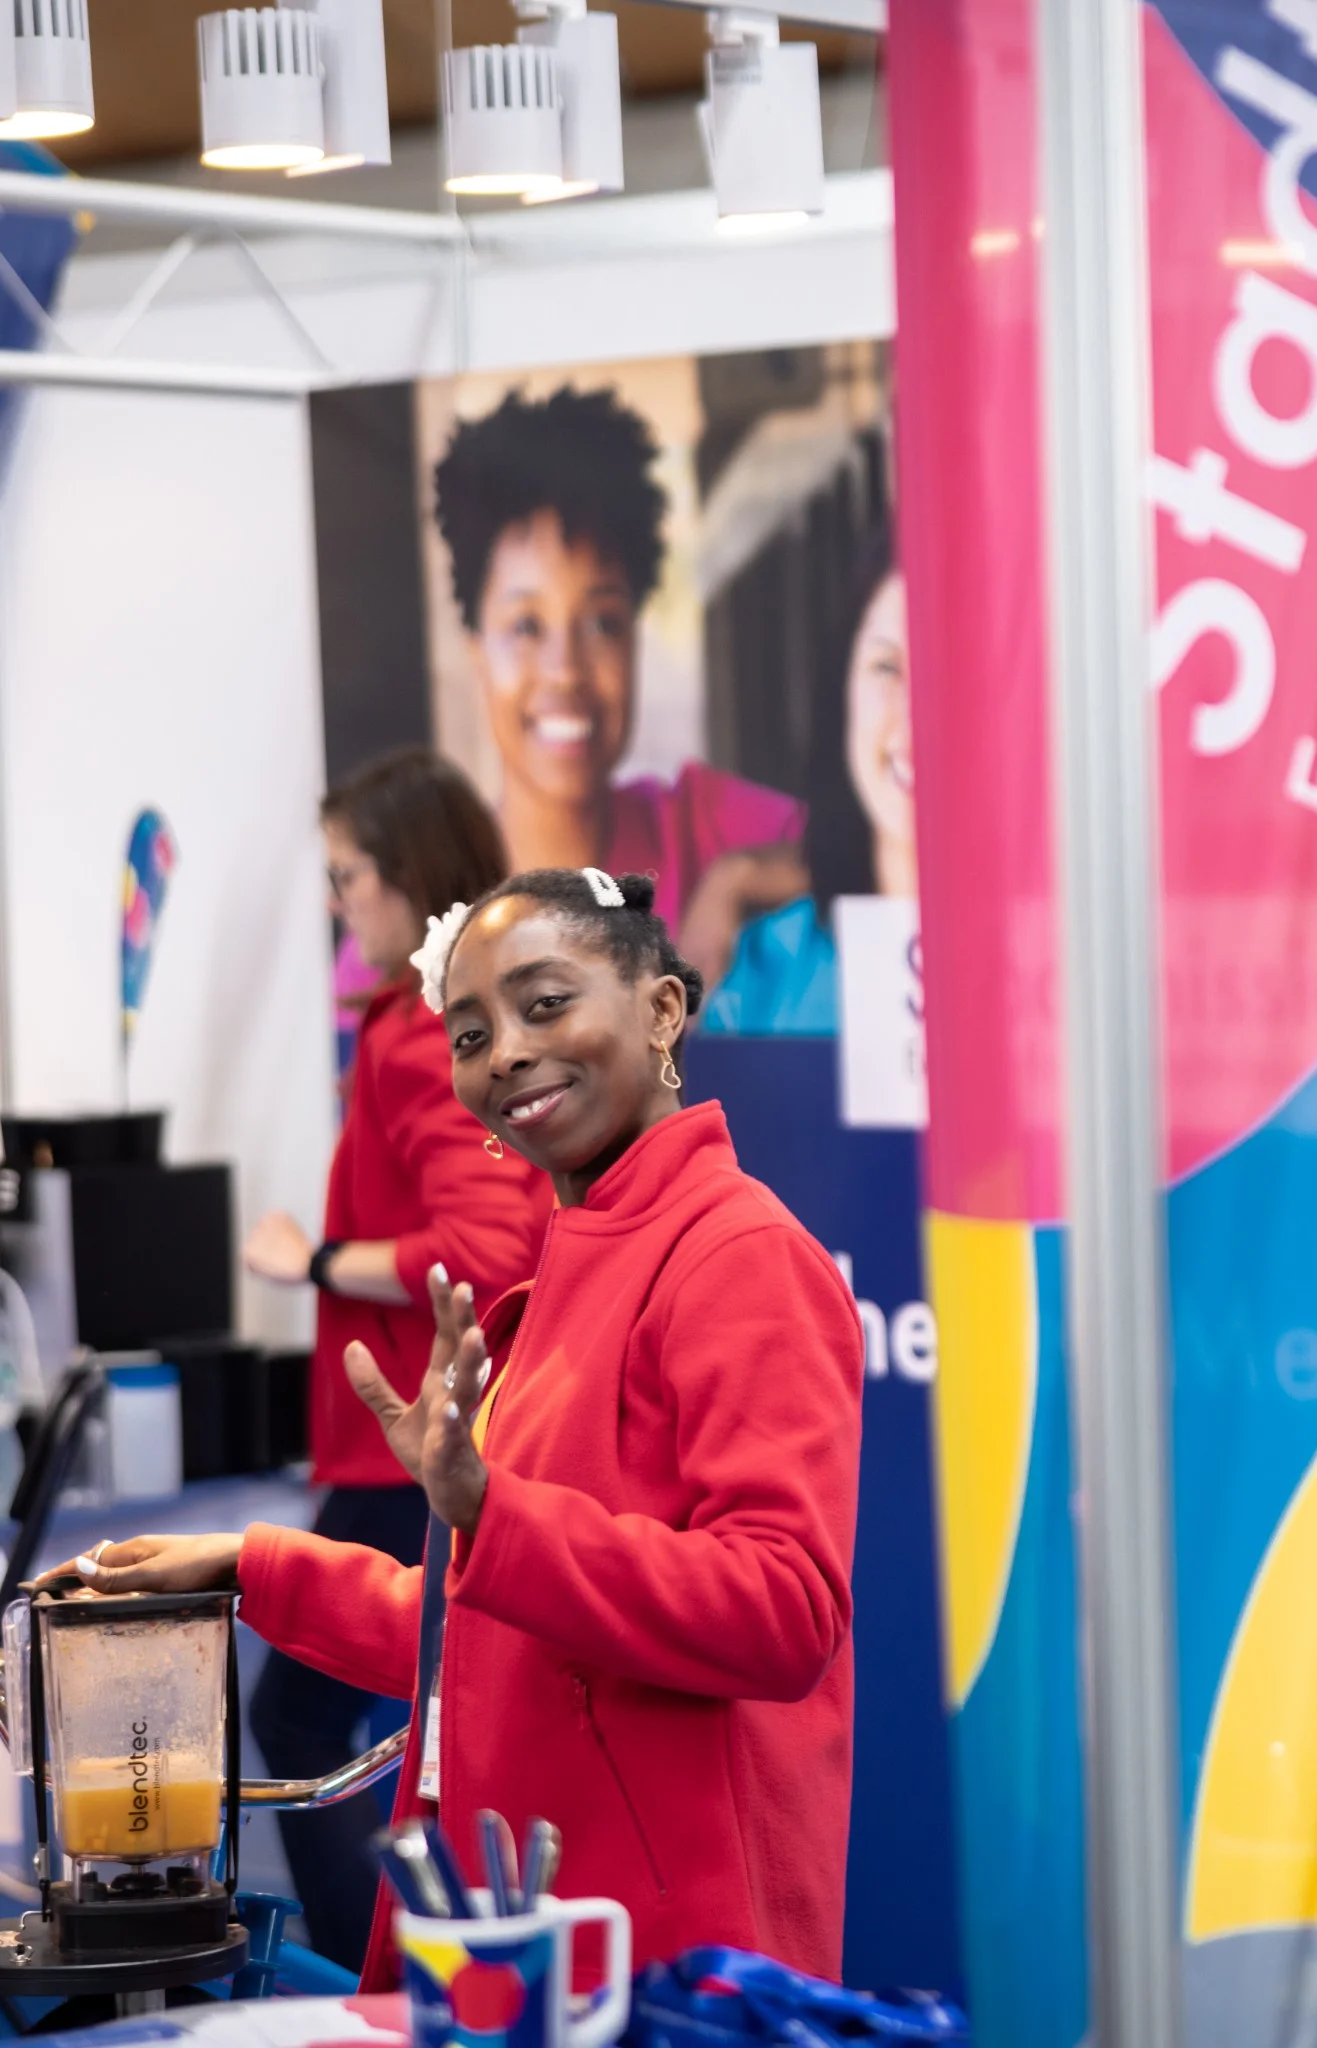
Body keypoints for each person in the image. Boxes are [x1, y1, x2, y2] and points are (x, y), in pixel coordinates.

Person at [54, 867, 863, 1988]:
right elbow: (490, 1636)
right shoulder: (560, 1280)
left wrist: (490, 1507)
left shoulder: (739, 1254)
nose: (507, 1054)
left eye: (545, 1004)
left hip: (663, 1962)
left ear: (664, 1009)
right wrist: (248, 1568)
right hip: (515, 1937)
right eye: (473, 1031)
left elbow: (785, 1611)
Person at [242, 749, 554, 1971]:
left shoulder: (425, 1032)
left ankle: (384, 1988)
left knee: (305, 1710)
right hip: (420, 1433)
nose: (338, 902)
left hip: (422, 1434)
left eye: (348, 875)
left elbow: (481, 1247)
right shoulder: (418, 1023)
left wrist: (313, 1261)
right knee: (359, 1715)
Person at [432, 386, 809, 990]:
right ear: (475, 650)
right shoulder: (428, 903)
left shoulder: (703, 828)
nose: (566, 670)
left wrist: (739, 877)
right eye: (526, 626)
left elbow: (886, 859)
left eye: (602, 622)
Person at [701, 521, 914, 1035]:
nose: (915, 712)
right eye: (887, 667)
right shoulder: (762, 981)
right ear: (842, 696)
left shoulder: (1063, 961)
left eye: (952, 667)